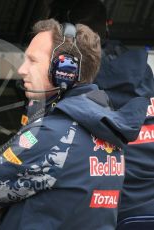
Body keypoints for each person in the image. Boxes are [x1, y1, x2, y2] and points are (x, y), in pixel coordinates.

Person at [0, 18, 148, 229]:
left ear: (64, 70)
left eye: (32, 60)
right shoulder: (108, 127)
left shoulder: (51, 133)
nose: (22, 69)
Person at [50, 0, 154, 222]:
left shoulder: (72, 85)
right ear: (107, 26)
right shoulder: (144, 76)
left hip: (105, 215)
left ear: (65, 37)